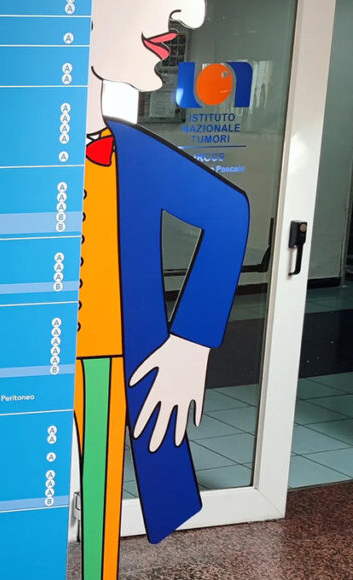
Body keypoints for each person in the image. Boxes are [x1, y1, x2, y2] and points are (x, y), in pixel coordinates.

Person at [76, 1, 250, 578]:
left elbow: (228, 213)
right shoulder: (1, 156)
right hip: (12, 367)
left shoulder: (132, 154)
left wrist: (191, 341)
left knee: (99, 510)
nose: (189, 15)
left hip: (107, 363)